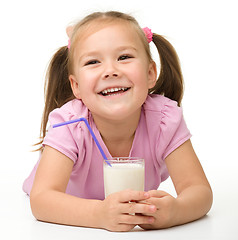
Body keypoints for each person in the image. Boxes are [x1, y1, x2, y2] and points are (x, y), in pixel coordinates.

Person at [23, 11, 213, 232]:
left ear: (151, 72)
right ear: (76, 86)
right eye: (93, 61)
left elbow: (199, 191)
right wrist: (99, 215)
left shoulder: (164, 119)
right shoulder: (70, 124)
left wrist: (176, 211)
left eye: (124, 57)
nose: (110, 71)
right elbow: (41, 201)